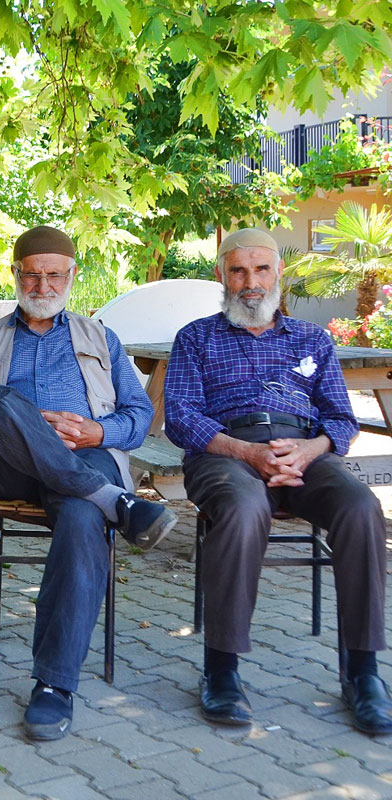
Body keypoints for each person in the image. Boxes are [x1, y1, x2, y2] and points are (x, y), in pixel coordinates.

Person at [0, 225, 177, 741]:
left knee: (79, 517)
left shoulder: (102, 338)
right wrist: (27, 422)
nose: (43, 284)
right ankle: (117, 502)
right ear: (16, 275)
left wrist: (98, 429)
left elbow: (139, 415)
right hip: (12, 468)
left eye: (54, 274)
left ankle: (53, 684)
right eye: (32, 273)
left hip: (84, 459)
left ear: (71, 276)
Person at [164, 227, 392, 734]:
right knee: (245, 509)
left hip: (301, 452)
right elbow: (180, 417)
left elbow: (340, 418)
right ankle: (221, 669)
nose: (251, 282)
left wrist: (310, 449)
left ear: (278, 274)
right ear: (221, 275)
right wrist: (247, 451)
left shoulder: (313, 340)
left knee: (361, 508)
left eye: (261, 269)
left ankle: (363, 671)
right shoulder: (195, 337)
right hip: (225, 452)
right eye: (238, 270)